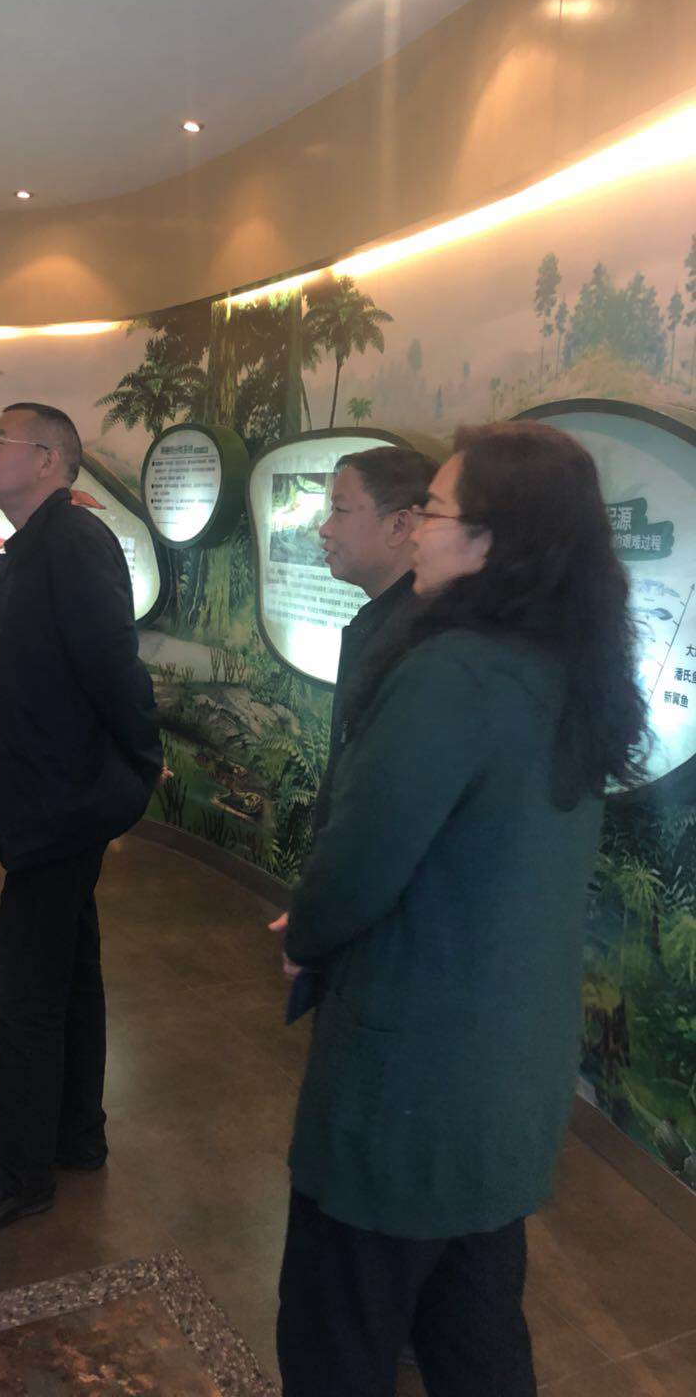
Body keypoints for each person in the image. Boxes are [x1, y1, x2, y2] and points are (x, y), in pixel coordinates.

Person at [275, 421, 646, 1397]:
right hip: (506, 1070)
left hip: (413, 1072)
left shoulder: (455, 671)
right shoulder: (566, 665)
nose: (419, 531)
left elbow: (360, 857)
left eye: (435, 512)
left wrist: (305, 935)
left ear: (492, 541)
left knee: (336, 1334)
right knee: (473, 1331)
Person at [0, 403, 163, 1240]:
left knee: (24, 991)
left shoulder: (72, 541)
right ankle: (77, 1135)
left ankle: (20, 1175)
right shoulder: (38, 543)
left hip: (64, 803)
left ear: (50, 460)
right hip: (51, 798)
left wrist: (143, 759)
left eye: (2, 441)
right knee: (70, 970)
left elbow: (113, 665)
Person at [270, 446, 437, 1005]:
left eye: (341, 510)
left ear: (401, 525)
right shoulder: (386, 623)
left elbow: (384, 814)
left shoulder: (421, 645)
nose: (324, 528)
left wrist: (322, 921)